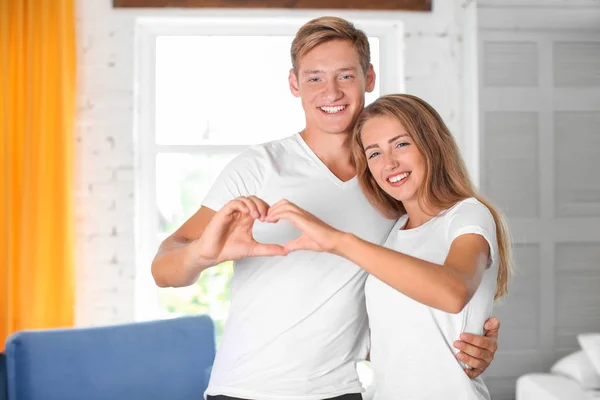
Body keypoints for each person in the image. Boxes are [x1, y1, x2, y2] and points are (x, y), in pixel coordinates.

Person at [151, 16, 501, 400]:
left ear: (368, 78)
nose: (331, 92)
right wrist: (203, 254)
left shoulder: (389, 187)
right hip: (244, 388)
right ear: (294, 84)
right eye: (315, 77)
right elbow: (164, 271)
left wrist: (464, 341)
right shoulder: (259, 165)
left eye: (345, 76)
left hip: (341, 391)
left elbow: (422, 282)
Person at [264, 93, 513, 399]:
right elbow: (387, 342)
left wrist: (339, 241)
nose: (390, 163)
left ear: (431, 144)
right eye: (375, 153)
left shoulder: (468, 215)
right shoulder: (393, 231)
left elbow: (452, 292)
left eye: (401, 144)